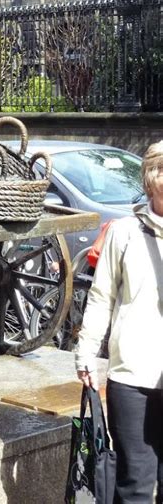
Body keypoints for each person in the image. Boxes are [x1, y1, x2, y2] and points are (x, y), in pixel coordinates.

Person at [75, 141, 163, 503]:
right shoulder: (124, 233)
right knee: (135, 482)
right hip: (131, 375)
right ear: (152, 180)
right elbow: (101, 297)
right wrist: (86, 354)